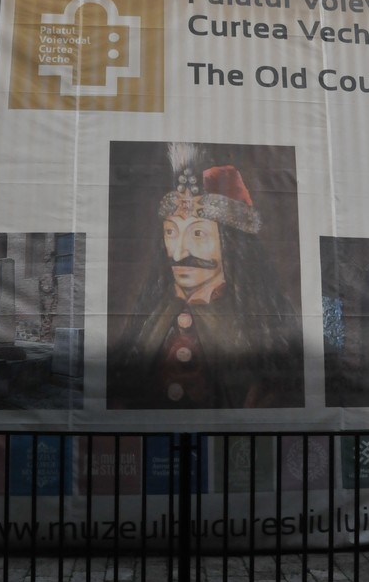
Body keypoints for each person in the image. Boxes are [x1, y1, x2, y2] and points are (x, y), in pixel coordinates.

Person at [107, 143, 303, 409]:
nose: (179, 253)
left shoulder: (262, 331)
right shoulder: (149, 318)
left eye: (197, 234)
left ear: (231, 246)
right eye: (171, 232)